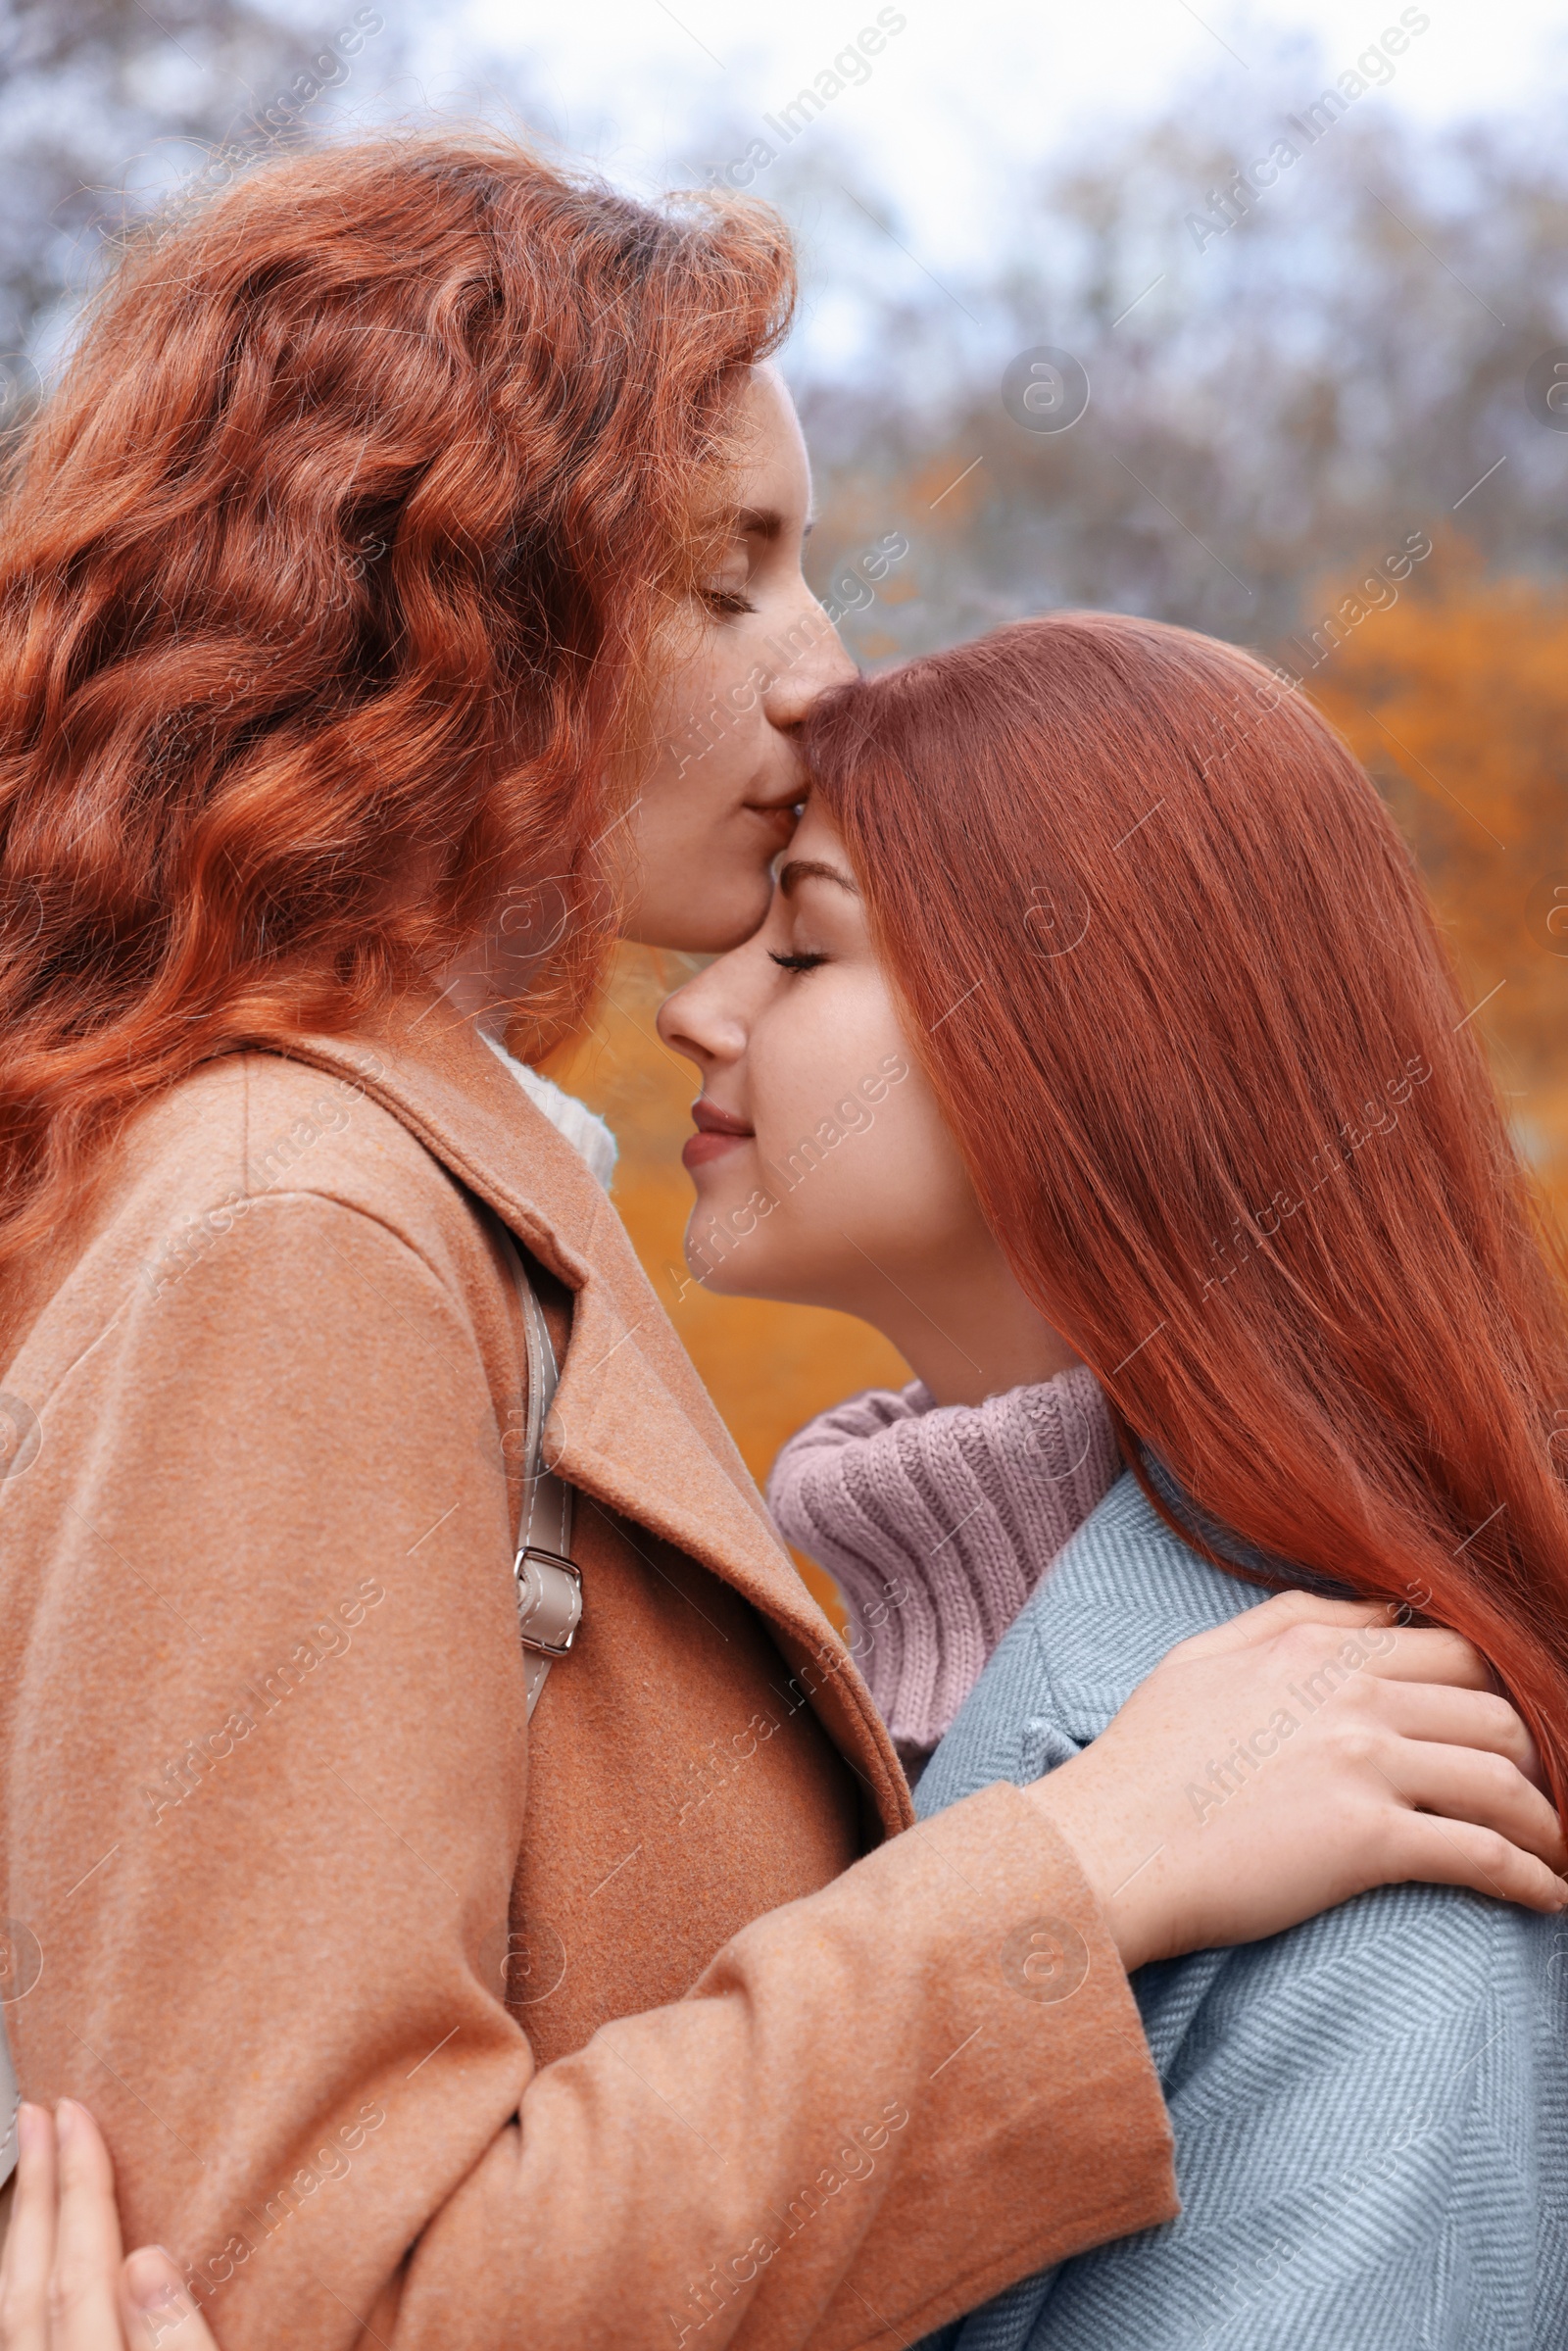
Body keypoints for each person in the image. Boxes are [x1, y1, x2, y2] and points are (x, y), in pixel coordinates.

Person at [0, 140, 1561, 2351]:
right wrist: (1064, 1888)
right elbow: (317, 2285)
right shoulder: (305, 1216)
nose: (819, 674)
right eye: (726, 583)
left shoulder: (414, 1200)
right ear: (449, 611)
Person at [652, 612, 1568, 2346]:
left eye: (798, 950)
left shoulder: (1378, 1814)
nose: (692, 1008)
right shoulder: (796, 1693)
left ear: (1089, 1024)